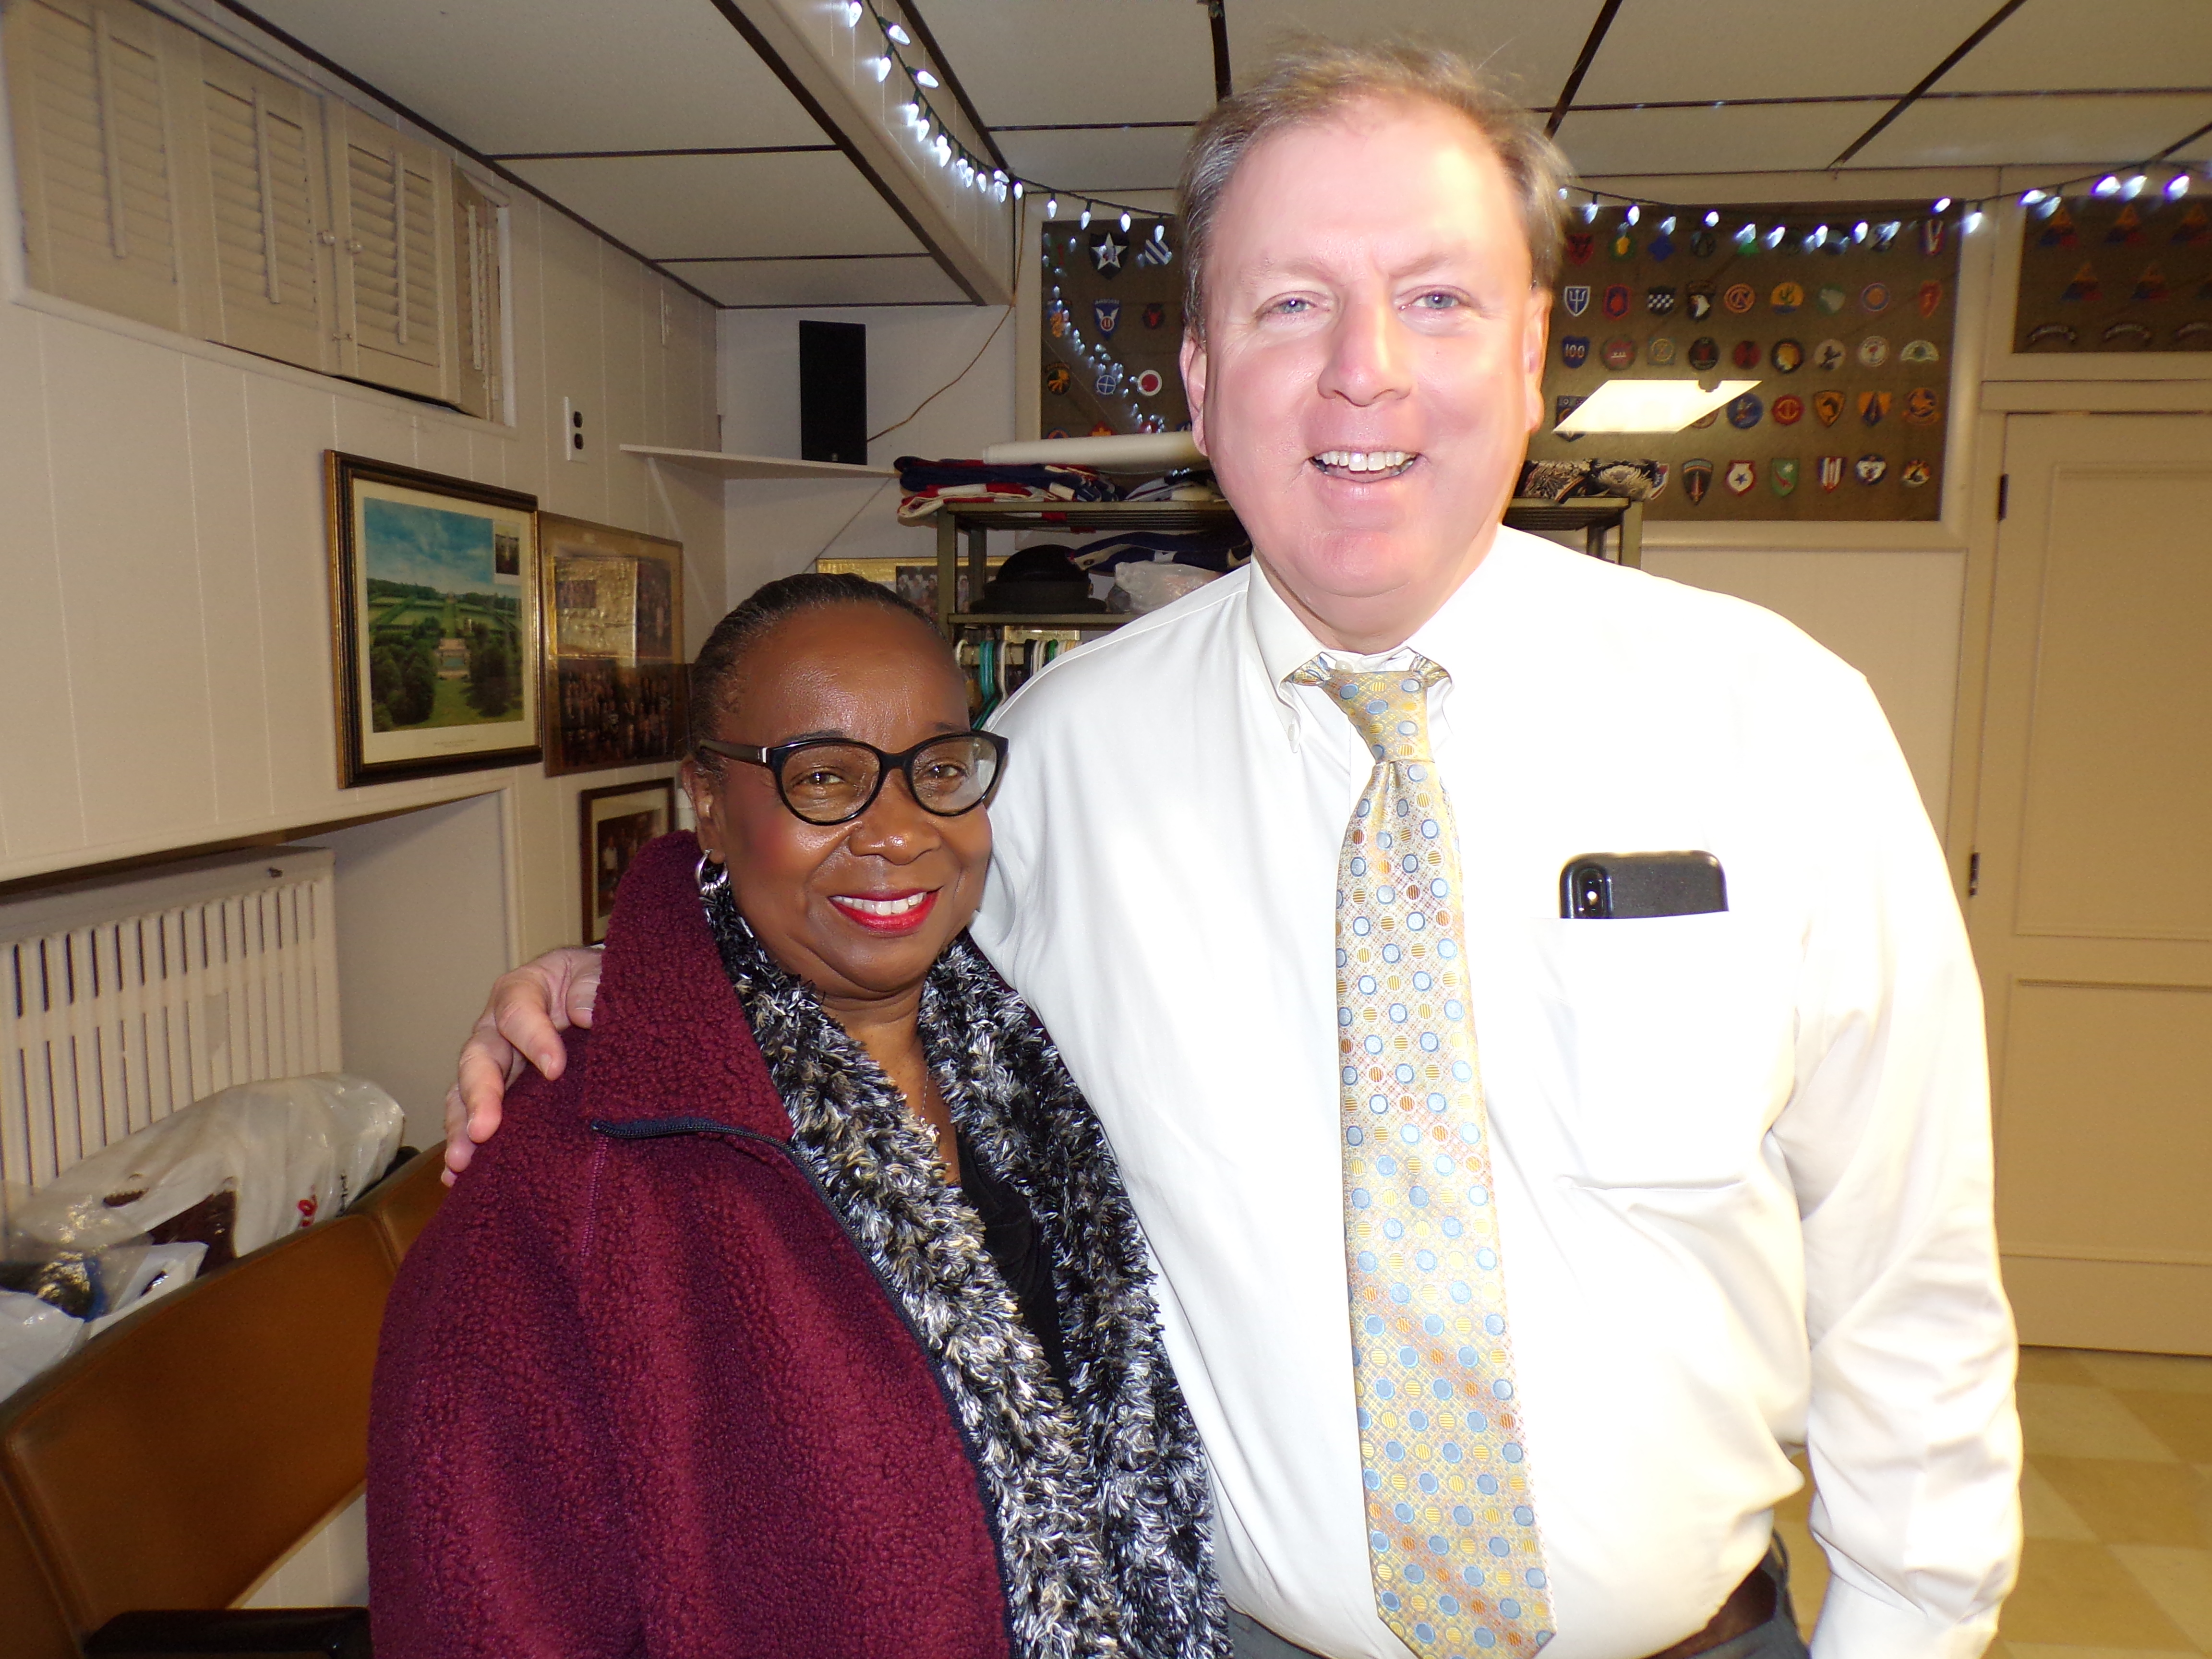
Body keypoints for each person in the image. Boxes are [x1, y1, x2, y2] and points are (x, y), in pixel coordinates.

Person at [446, 40, 2020, 1659]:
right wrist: (618, 984)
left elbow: (1905, 1273)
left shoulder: (1777, 724)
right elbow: (847, 986)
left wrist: (1903, 1625)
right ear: (1197, 378)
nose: (1362, 370)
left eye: (1435, 298)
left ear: (1531, 351)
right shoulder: (1060, 758)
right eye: (1287, 305)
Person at [372, 574, 1226, 1659]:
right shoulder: (566, 1178)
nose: (902, 833)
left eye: (939, 771)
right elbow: (480, 1612)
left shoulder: (1046, 1043)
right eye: (825, 778)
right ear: (709, 805)